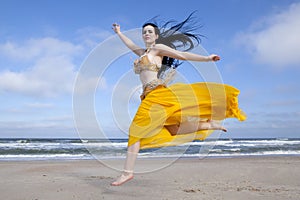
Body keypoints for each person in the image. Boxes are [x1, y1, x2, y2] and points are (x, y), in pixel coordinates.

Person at [110, 13, 246, 186]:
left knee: (135, 131)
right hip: (147, 97)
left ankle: (127, 172)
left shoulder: (158, 48)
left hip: (157, 94)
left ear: (156, 35)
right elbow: (130, 45)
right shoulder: (143, 52)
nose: (146, 34)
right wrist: (119, 33)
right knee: (172, 129)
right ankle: (207, 124)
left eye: (150, 31)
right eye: (144, 32)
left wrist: (206, 58)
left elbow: (180, 55)